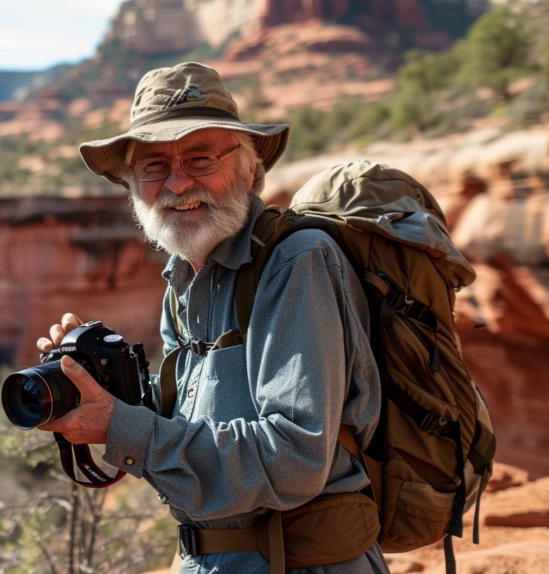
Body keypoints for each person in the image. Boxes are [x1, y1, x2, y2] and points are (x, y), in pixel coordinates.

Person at [36, 61, 388, 573]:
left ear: (249, 168)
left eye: (200, 158)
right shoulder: (183, 280)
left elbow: (294, 459)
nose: (177, 184)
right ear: (133, 186)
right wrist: (96, 388)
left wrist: (121, 428)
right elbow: (192, 425)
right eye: (153, 166)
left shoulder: (296, 262)